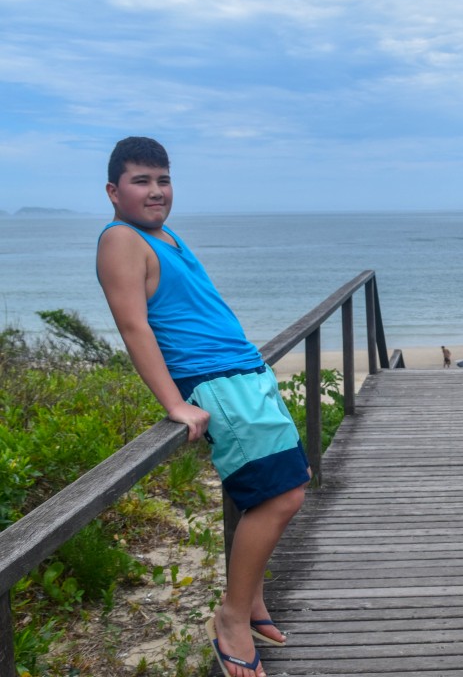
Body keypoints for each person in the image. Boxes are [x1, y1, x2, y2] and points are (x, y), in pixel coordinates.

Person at [96, 137, 309, 677]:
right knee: (283, 494)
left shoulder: (161, 235)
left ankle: (252, 601)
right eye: (141, 181)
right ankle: (232, 618)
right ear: (113, 191)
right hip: (215, 384)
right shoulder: (121, 240)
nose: (155, 191)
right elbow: (133, 325)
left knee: (274, 488)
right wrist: (174, 403)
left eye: (163, 180)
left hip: (243, 374)